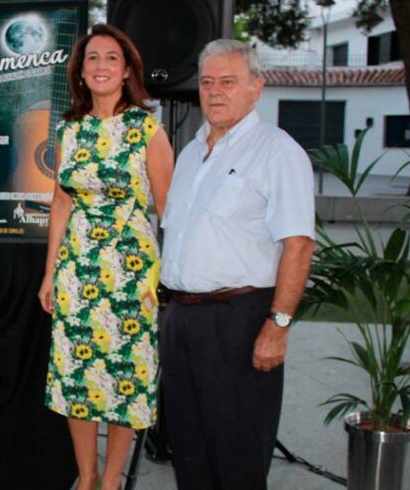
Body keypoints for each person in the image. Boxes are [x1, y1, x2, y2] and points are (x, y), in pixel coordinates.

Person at [158, 39, 315, 490]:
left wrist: (278, 325)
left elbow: (299, 245)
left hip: (239, 320)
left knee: (237, 452)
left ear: (256, 88)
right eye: (207, 82)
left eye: (228, 81)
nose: (215, 91)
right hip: (181, 319)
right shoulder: (190, 153)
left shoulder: (277, 152)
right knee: (188, 448)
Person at [38, 24, 174, 490]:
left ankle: (112, 480)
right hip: (77, 270)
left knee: (124, 379)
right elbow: (61, 203)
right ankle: (87, 474)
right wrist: (49, 274)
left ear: (127, 70)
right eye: (92, 58)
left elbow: (169, 209)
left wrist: (166, 278)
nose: (100, 66)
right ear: (80, 71)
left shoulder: (145, 128)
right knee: (77, 375)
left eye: (111, 58)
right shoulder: (69, 129)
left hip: (130, 271)